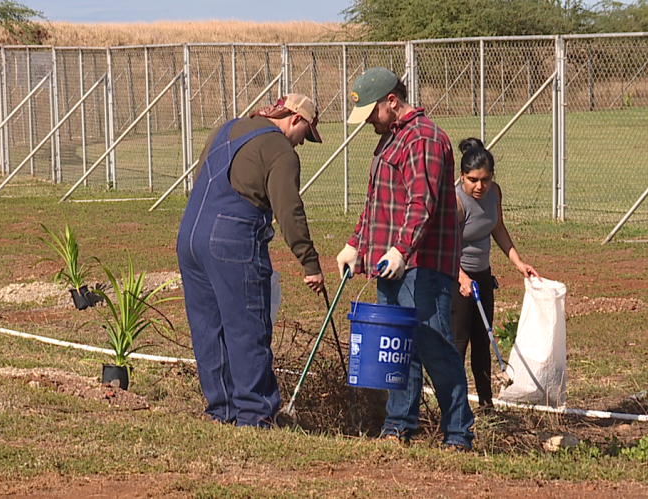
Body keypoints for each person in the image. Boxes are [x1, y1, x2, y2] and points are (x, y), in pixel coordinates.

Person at [335, 67, 475, 451]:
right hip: (393, 264)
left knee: (434, 346)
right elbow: (379, 204)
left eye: (371, 114)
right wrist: (356, 244)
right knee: (398, 348)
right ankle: (398, 427)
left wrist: (402, 249)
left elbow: (421, 204)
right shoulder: (393, 139)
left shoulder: (424, 138)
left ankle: (459, 433)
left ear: (391, 102)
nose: (368, 124)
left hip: (423, 265)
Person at [176, 93, 326, 428]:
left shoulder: (227, 129)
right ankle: (255, 414)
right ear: (296, 119)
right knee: (247, 327)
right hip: (231, 239)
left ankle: (222, 409)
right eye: (307, 135)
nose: (303, 144)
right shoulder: (280, 151)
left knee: (208, 329)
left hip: (189, 234)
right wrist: (309, 262)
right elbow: (289, 210)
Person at [451, 138, 540, 411]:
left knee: (483, 341)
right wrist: (461, 278)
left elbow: (497, 227)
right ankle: (454, 407)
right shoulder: (455, 200)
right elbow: (445, 247)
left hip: (482, 277)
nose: (480, 186)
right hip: (457, 279)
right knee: (458, 345)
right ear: (462, 176)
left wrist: (518, 262)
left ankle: (486, 404)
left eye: (486, 179)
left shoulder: (494, 193)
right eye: (473, 180)